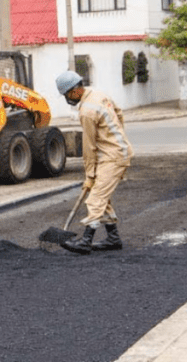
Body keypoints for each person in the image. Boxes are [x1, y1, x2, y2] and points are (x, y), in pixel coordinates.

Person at [55, 70, 133, 254]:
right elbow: (120, 114)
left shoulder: (87, 112)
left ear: (74, 91)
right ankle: (113, 238)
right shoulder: (99, 95)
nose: (67, 98)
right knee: (102, 197)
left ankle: (85, 241)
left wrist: (89, 175)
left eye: (66, 95)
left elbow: (89, 147)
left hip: (113, 156)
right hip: (117, 151)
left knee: (96, 197)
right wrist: (117, 137)